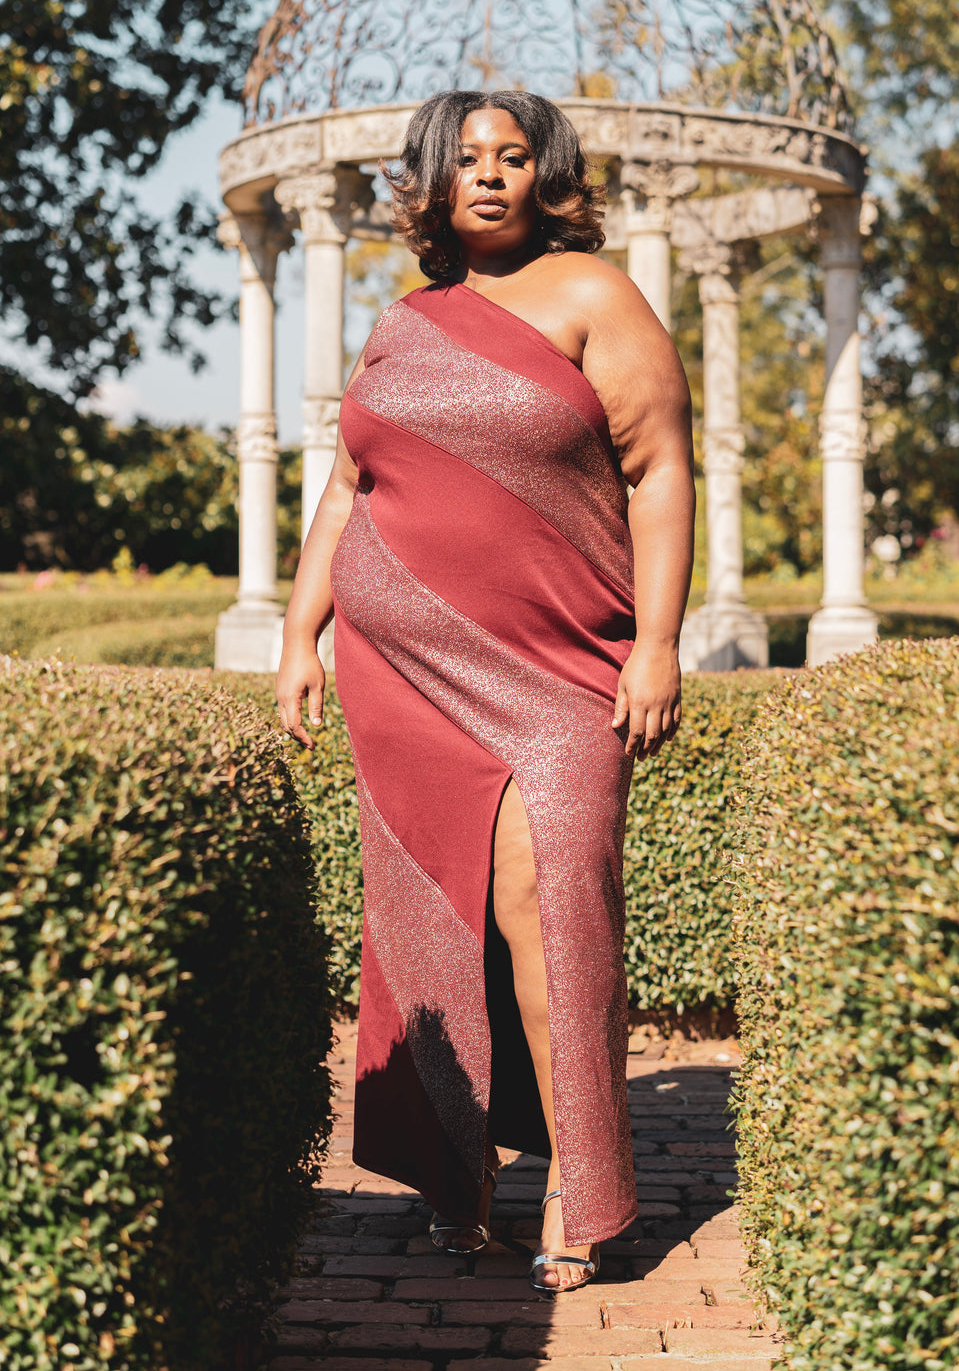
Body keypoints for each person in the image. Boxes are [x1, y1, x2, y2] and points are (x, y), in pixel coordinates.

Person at [277, 89, 695, 1293]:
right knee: (425, 913)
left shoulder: (593, 296)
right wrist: (305, 631)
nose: (492, 176)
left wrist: (657, 642)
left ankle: (580, 1173)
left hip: (561, 660)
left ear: (547, 175)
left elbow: (660, 468)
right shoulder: (403, 320)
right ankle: (456, 1175)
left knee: (546, 893)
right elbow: (351, 486)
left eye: (515, 157)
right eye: (467, 160)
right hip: (401, 674)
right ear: (433, 183)